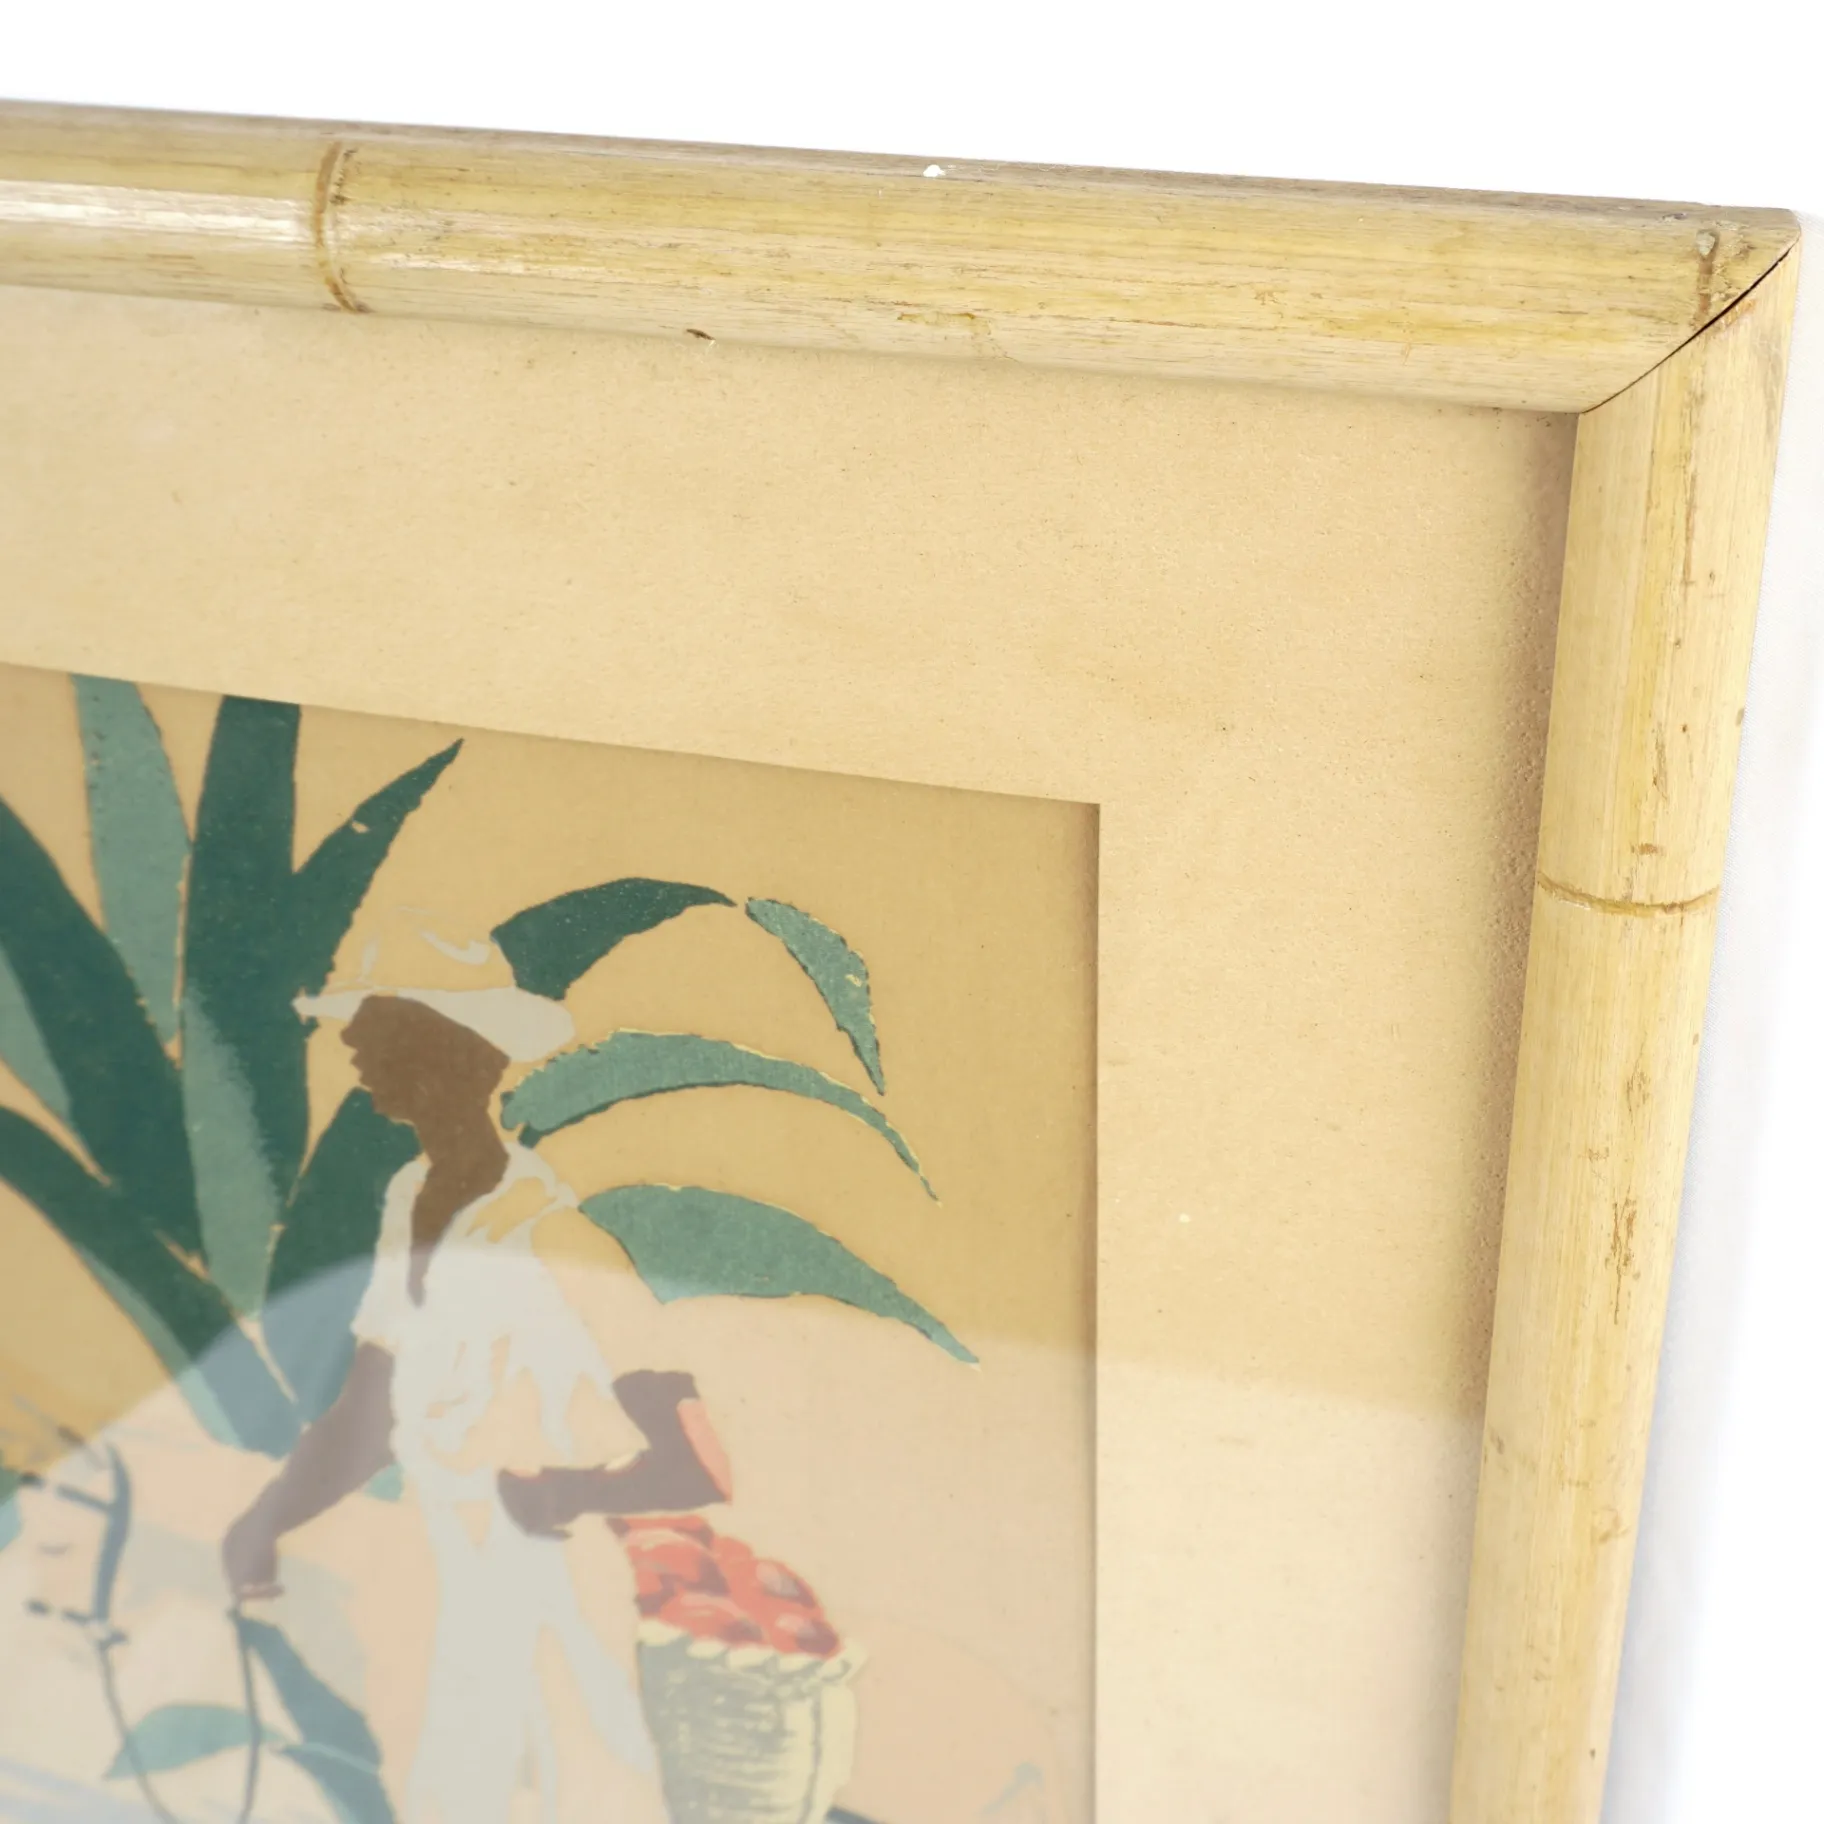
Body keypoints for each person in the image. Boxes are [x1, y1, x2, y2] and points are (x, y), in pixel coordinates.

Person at [222, 980, 733, 1824]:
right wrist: (266, 1522)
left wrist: (559, 1491)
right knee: (449, 1789)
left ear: (451, 1058)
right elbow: (371, 1416)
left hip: (558, 1579)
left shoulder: (557, 1232)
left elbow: (697, 1463)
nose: (356, 1051)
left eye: (382, 1032)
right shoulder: (413, 1199)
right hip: (453, 1577)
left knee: (587, 1781)